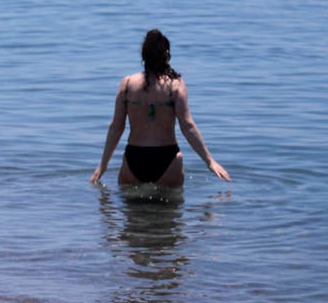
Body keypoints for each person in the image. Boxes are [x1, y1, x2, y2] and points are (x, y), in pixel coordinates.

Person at [90, 29, 230, 187]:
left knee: (131, 210)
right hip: (168, 160)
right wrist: (210, 161)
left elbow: (116, 127)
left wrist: (103, 165)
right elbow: (188, 126)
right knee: (168, 210)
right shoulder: (175, 86)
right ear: (167, 55)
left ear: (143, 56)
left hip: (133, 159)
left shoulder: (128, 84)